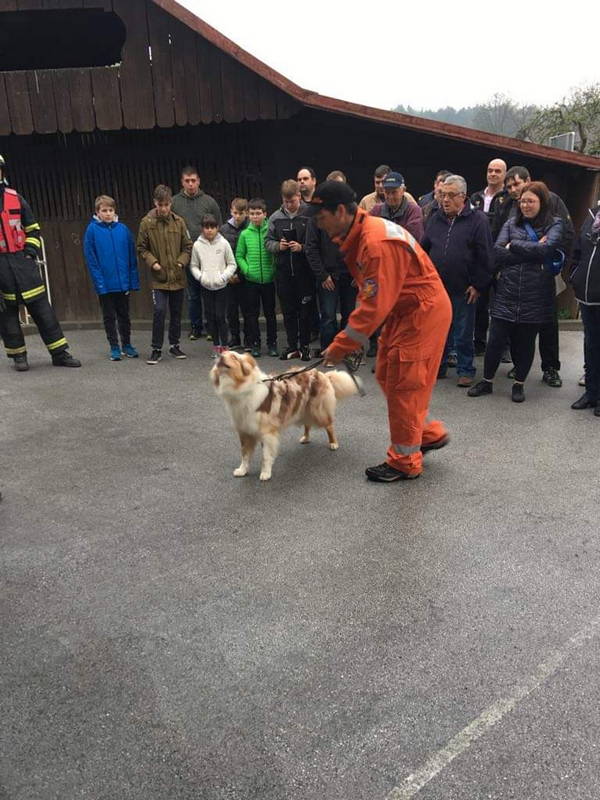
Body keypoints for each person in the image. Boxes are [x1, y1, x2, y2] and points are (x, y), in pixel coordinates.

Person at [307, 180, 452, 483]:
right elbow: (373, 297)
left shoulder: (375, 243)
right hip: (405, 311)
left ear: (341, 211)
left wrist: (340, 346)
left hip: (421, 313)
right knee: (387, 373)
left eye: (322, 217)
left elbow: (373, 307)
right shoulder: (362, 235)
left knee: (403, 384)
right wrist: (352, 340)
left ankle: (404, 461)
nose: (319, 225)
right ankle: (426, 434)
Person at [468, 182, 564, 403]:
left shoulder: (555, 224)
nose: (526, 205)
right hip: (507, 291)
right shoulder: (511, 223)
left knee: (525, 343)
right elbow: (498, 251)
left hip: (536, 294)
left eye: (531, 201)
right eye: (523, 201)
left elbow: (547, 249)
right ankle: (487, 381)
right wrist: (531, 253)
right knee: (495, 340)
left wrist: (514, 246)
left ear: (542, 202)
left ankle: (519, 384)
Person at [0, 154, 80, 371]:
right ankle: (19, 357)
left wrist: (29, 253)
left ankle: (60, 354)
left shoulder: (15, 198)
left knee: (43, 311)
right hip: (1, 267)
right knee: (7, 314)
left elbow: (32, 228)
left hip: (22, 263)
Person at [501, 165, 575, 388]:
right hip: (517, 274)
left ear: (528, 180)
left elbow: (565, 236)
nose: (514, 190)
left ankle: (550, 368)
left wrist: (555, 262)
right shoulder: (510, 206)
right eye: (509, 186)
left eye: (516, 184)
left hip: (544, 273)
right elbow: (503, 240)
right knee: (518, 323)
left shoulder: (553, 201)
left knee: (547, 322)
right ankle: (519, 365)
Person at [422, 175, 493, 387]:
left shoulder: (478, 220)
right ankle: (439, 367)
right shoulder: (435, 218)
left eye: (451, 195)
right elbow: (424, 249)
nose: (445, 200)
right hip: (437, 288)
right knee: (438, 331)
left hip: (464, 288)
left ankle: (465, 370)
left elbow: (486, 256)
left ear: (463, 197)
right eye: (443, 195)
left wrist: (478, 285)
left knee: (463, 332)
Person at [137, 184, 192, 365]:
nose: (163, 209)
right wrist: (153, 262)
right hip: (159, 278)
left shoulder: (179, 222)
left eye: (166, 205)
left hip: (177, 275)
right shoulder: (147, 223)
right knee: (160, 311)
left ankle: (174, 345)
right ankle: (156, 348)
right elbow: (141, 248)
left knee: (176, 312)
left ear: (171, 203)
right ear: (155, 203)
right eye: (160, 205)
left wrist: (180, 263)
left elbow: (188, 247)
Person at [305, 171, 357, 357]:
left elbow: (361, 247)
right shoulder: (317, 218)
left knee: (350, 315)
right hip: (328, 275)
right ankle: (329, 352)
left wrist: (359, 274)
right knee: (328, 316)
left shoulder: (358, 222)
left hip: (350, 275)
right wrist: (322, 275)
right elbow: (311, 247)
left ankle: (349, 352)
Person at [83, 194, 140, 361]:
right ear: (97, 212)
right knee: (109, 317)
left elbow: (131, 256)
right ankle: (114, 347)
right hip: (105, 284)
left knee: (124, 316)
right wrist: (99, 283)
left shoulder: (123, 229)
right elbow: (91, 259)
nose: (108, 213)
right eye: (104, 210)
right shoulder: (92, 230)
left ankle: (127, 344)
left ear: (115, 211)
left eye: (110, 210)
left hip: (123, 283)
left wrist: (132, 281)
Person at [171, 166, 222, 341]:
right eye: (187, 181)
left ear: (199, 181)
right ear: (182, 182)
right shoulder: (174, 202)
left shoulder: (209, 202)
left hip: (208, 254)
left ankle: (211, 327)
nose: (191, 184)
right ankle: (195, 327)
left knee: (209, 291)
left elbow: (218, 225)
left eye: (193, 180)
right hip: (187, 254)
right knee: (192, 294)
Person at [265, 179, 314, 361]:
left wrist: (302, 247)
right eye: (286, 202)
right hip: (283, 272)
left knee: (305, 312)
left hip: (305, 272)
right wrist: (279, 246)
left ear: (299, 196)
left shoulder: (309, 214)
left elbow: (316, 242)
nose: (289, 205)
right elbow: (267, 242)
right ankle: (292, 345)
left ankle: (305, 345)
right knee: (288, 311)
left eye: (292, 201)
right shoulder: (275, 218)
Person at [470, 158, 509, 355]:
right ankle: (479, 342)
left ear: (505, 174)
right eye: (490, 170)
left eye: (497, 171)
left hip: (502, 259)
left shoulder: (510, 198)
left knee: (503, 305)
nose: (493, 174)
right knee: (480, 303)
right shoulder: (475, 197)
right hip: (480, 259)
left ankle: (504, 347)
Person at [235, 198, 278, 358]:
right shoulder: (245, 234)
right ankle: (255, 344)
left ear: (265, 214)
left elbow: (276, 252)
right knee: (252, 315)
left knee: (270, 314)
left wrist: (273, 269)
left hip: (269, 280)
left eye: (258, 213)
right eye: (252, 213)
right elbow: (239, 255)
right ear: (248, 215)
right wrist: (247, 270)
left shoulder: (271, 231)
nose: (255, 216)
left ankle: (272, 343)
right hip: (251, 281)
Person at [190, 214, 237, 357]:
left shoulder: (223, 243)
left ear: (217, 228)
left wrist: (223, 277)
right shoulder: (197, 245)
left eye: (212, 227)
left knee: (220, 316)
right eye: (206, 227)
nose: (209, 230)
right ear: (202, 229)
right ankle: (216, 345)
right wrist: (201, 277)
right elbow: (193, 266)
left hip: (221, 287)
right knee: (210, 317)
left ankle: (225, 346)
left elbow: (232, 264)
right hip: (206, 287)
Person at [570, 203, 600, 416]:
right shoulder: (592, 215)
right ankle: (591, 393)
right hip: (587, 295)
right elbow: (578, 250)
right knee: (591, 344)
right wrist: (575, 275)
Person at [220, 198, 249, 349]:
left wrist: (241, 274)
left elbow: (251, 254)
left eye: (241, 213)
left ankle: (249, 338)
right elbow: (220, 254)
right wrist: (228, 274)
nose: (237, 216)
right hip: (229, 276)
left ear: (246, 213)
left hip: (246, 275)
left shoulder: (250, 227)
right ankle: (235, 337)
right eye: (235, 213)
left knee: (247, 309)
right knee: (231, 310)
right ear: (231, 211)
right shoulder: (224, 229)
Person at [370, 172, 425, 242]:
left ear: (403, 190)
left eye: (394, 192)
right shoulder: (376, 210)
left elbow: (413, 238)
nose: (390, 196)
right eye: (387, 192)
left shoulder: (414, 211)